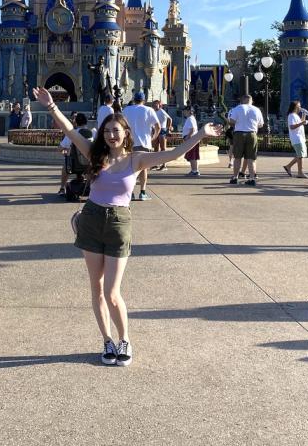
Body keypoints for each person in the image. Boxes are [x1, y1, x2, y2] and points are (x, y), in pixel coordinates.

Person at [35, 86, 218, 367]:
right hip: (92, 219)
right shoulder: (96, 155)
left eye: (115, 131)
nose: (110, 135)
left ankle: (124, 339)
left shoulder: (137, 159)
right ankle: (106, 340)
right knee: (95, 287)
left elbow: (174, 153)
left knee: (112, 292)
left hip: (119, 223)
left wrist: (201, 134)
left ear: (125, 133)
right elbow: (70, 130)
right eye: (107, 131)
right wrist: (51, 107)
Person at [121, 91, 161, 200]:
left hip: (130, 143)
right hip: (144, 143)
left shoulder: (126, 110)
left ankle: (130, 192)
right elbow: (158, 126)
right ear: (144, 100)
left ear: (134, 99)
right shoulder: (149, 110)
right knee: (143, 169)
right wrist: (153, 137)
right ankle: (142, 193)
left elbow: (120, 125)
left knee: (130, 169)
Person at [226, 95, 264, 186]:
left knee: (237, 157)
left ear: (242, 100)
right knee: (251, 158)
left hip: (239, 134)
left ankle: (235, 178)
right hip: (252, 134)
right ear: (251, 101)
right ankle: (251, 178)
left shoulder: (237, 108)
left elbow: (232, 122)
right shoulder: (257, 110)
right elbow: (261, 125)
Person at [283, 101, 308, 178]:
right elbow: (292, 126)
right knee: (300, 155)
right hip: (297, 138)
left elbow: (301, 122)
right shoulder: (291, 115)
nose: (300, 107)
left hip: (300, 138)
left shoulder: (295, 115)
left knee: (301, 155)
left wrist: (304, 115)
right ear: (294, 107)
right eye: (299, 106)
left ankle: (288, 167)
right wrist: (302, 123)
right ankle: (300, 172)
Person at [150, 100, 173, 171]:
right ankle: (156, 164)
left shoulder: (162, 111)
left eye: (155, 104)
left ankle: (164, 165)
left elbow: (170, 119)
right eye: (153, 104)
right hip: (156, 130)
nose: (154, 105)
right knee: (156, 148)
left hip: (162, 130)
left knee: (163, 148)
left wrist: (168, 128)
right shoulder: (153, 112)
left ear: (159, 105)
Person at [181, 105, 201, 176]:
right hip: (193, 139)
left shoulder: (190, 118)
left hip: (191, 139)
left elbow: (192, 129)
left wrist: (187, 137)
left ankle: (194, 171)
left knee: (192, 156)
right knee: (193, 156)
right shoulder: (191, 118)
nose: (184, 112)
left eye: (185, 110)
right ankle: (195, 170)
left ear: (189, 111)